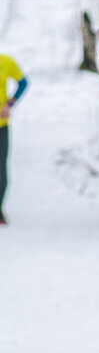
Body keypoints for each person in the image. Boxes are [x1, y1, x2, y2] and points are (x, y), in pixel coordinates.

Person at [0, 54, 29, 226]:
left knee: (1, 170)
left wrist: (9, 104)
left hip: (1, 125)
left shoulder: (5, 61)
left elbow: (23, 83)